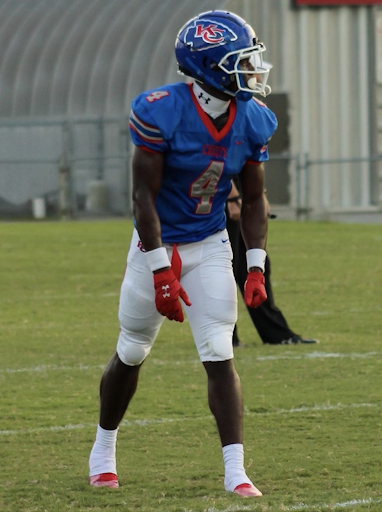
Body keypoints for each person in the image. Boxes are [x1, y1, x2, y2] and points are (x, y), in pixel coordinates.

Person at [88, 10, 276, 497]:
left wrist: (254, 266)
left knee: (218, 349)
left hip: (210, 241)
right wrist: (159, 271)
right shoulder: (160, 111)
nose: (253, 68)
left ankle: (236, 470)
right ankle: (103, 450)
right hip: (156, 243)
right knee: (132, 349)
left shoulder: (252, 118)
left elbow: (254, 199)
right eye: (241, 60)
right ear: (211, 67)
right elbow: (142, 200)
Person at [226, 177, 318, 346]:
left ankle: (276, 333)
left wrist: (260, 195)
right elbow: (219, 160)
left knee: (257, 266)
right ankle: (225, 337)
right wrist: (231, 196)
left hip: (243, 193)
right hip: (218, 195)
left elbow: (252, 164)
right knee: (224, 268)